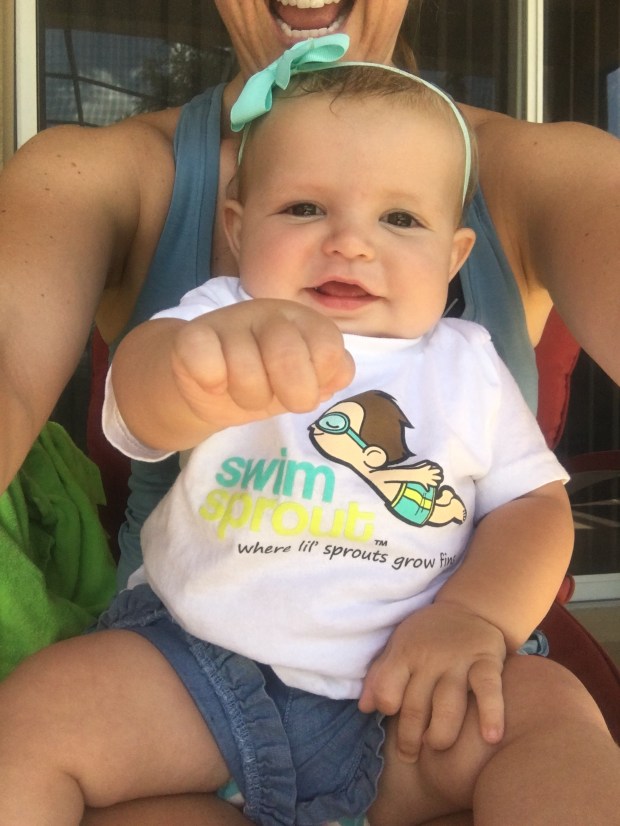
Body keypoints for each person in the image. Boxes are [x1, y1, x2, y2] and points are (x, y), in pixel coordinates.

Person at [0, 1, 618, 824]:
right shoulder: (218, 311)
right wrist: (188, 375)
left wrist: (473, 617)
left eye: (399, 219)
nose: (350, 243)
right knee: (35, 714)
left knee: (553, 721)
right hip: (196, 668)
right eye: (302, 209)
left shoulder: (466, 362)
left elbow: (533, 506)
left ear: (454, 255)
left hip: (414, 685)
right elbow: (136, 402)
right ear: (237, 227)